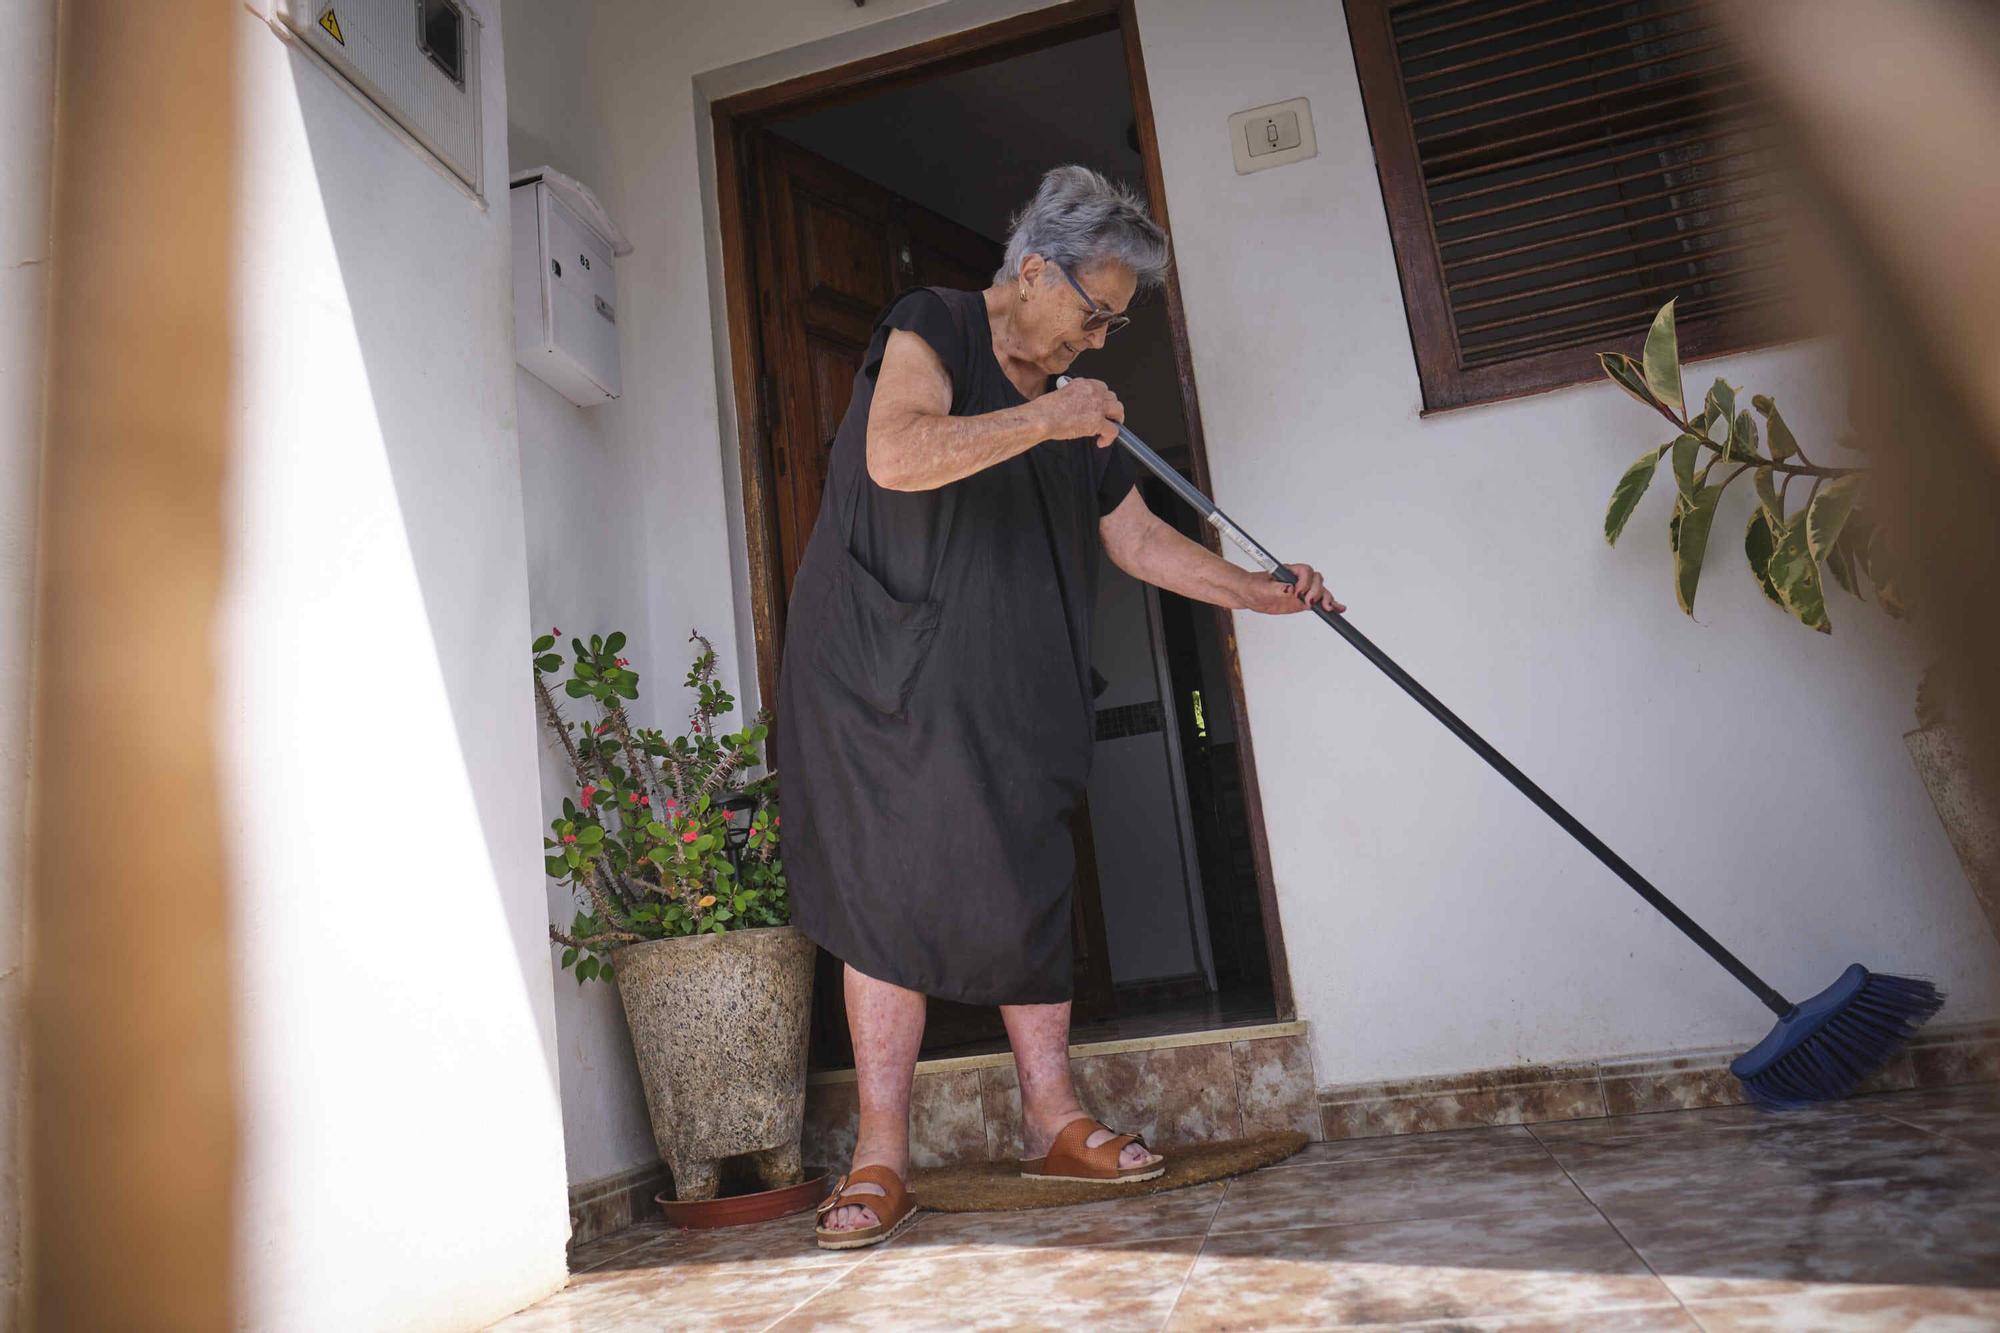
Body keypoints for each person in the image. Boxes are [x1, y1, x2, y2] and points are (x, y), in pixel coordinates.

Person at [775, 165, 1342, 1249]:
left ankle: (1052, 1119)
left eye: (1115, 324)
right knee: (887, 891)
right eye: (1095, 312)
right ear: (1034, 272)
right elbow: (896, 452)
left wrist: (1255, 590)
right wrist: (1045, 418)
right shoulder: (934, 324)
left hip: (1012, 675)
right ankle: (880, 1156)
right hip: (882, 672)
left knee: (1029, 872)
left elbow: (1135, 538)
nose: (1098, 339)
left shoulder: (1070, 400)